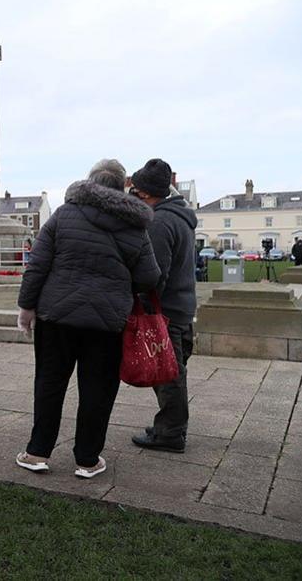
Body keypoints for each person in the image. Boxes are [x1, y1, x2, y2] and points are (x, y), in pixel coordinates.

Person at [15, 159, 160, 479]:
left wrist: (26, 308)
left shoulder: (64, 215)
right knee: (98, 389)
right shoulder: (135, 225)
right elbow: (149, 277)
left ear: (90, 182)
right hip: (107, 322)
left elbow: (37, 266)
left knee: (49, 383)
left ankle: (37, 452)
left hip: (56, 317)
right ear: (122, 186)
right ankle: (87, 459)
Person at [128, 159, 198, 453]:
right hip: (182, 306)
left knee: (168, 374)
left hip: (165, 311)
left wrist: (142, 305)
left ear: (146, 194)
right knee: (174, 369)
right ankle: (168, 426)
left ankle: (170, 432)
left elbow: (155, 274)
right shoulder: (180, 216)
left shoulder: (159, 222)